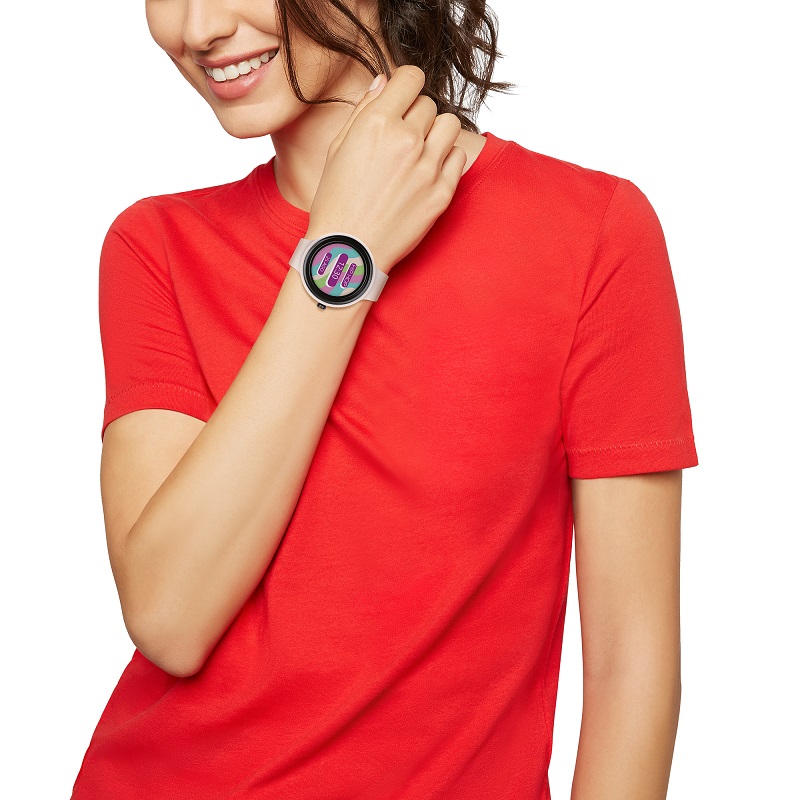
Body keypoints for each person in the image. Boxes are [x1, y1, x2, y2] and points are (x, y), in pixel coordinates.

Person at [71, 0, 699, 798]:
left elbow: (629, 665)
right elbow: (171, 617)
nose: (197, 30)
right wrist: (346, 252)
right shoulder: (157, 247)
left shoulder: (590, 232)